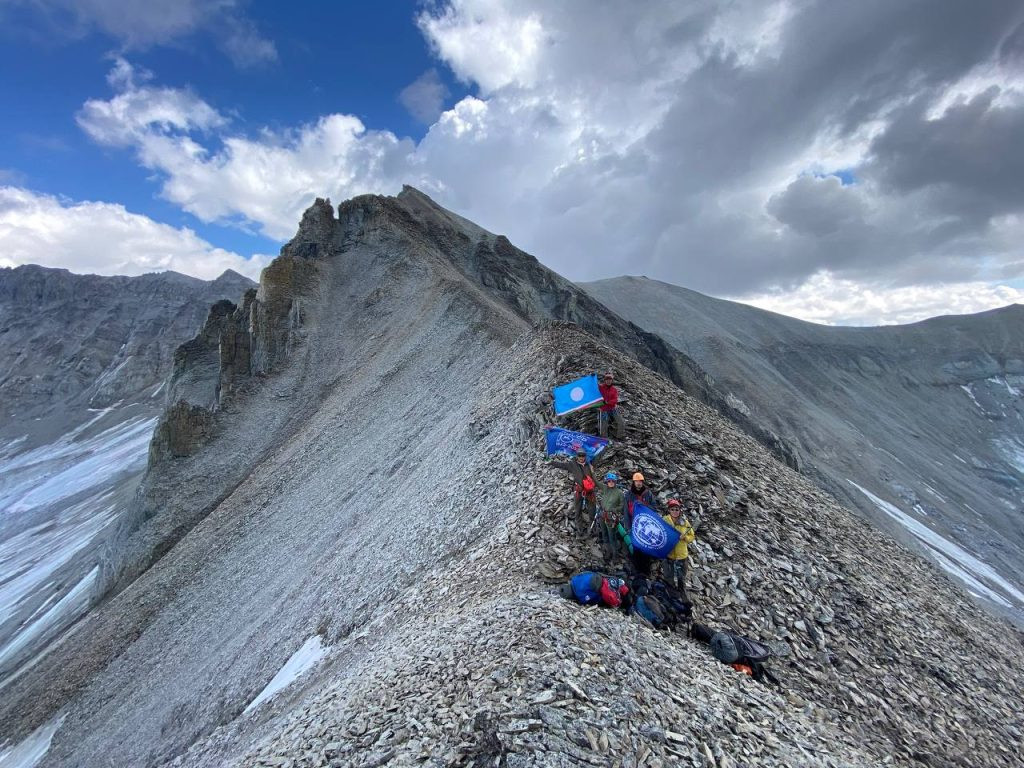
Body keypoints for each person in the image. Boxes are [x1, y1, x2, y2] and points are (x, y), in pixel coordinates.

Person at [690, 623, 779, 685]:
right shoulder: (755, 663)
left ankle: (697, 629)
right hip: (728, 658)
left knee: (717, 638)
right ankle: (698, 630)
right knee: (716, 641)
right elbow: (742, 667)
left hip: (731, 651)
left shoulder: (754, 651)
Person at [547, 447, 597, 534]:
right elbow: (561, 465)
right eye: (579, 455)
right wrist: (551, 462)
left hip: (589, 491)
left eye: (583, 455)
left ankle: (592, 528)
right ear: (576, 456)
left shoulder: (590, 464)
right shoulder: (572, 464)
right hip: (579, 491)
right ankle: (579, 529)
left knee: (592, 510)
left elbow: (599, 456)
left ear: (585, 456)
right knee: (578, 510)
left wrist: (605, 444)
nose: (581, 457)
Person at [622, 472, 657, 574]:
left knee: (646, 548)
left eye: (640, 481)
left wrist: (644, 505)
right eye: (637, 481)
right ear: (633, 482)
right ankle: (637, 570)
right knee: (636, 547)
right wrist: (627, 527)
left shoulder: (648, 494)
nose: (638, 483)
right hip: (634, 526)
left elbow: (654, 507)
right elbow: (626, 511)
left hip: (646, 526)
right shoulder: (628, 495)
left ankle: (646, 570)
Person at [661, 499, 696, 592]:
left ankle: (682, 595)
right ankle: (671, 594)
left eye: (677, 509)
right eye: (672, 509)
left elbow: (692, 536)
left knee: (681, 578)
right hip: (669, 554)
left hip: (681, 555)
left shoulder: (685, 522)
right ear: (669, 510)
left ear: (680, 510)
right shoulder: (664, 520)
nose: (675, 511)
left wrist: (685, 538)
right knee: (668, 576)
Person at [557, 571, 630, 608]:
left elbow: (592, 600)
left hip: (601, 588)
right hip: (601, 577)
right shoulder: (574, 579)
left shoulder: (580, 596)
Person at [596, 472, 626, 561]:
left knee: (612, 536)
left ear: (615, 481)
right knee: (604, 534)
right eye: (609, 481)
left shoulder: (619, 492)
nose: (611, 482)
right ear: (607, 481)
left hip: (611, 517)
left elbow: (622, 505)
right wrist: (591, 470)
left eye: (612, 481)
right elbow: (596, 482)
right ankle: (608, 552)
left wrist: (615, 510)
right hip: (602, 515)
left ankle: (615, 556)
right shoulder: (605, 489)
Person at [597, 372, 625, 439]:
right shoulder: (601, 387)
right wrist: (593, 378)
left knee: (621, 422)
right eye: (607, 379)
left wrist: (608, 402)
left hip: (612, 408)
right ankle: (604, 438)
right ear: (605, 380)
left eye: (610, 379)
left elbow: (615, 400)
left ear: (612, 381)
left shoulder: (614, 390)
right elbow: (594, 386)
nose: (608, 381)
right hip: (603, 409)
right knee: (604, 424)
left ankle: (619, 437)